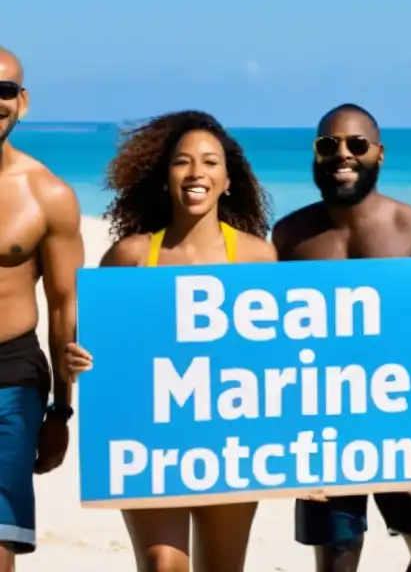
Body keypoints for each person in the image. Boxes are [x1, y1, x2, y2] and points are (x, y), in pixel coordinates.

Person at [273, 103, 411, 572]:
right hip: (326, 421)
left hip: (407, 417)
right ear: (315, 155)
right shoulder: (291, 236)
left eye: (357, 145)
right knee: (337, 559)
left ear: (379, 154)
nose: (342, 155)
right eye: (328, 145)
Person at [62, 110, 277, 572]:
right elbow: (92, 345)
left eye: (210, 162)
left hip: (230, 441)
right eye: (183, 162)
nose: (196, 173)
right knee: (163, 564)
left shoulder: (258, 259)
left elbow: (281, 360)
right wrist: (77, 361)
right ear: (165, 179)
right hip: (149, 436)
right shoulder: (132, 256)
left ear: (228, 180)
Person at [0, 47, 83, 568]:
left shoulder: (46, 194)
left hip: (10, 375)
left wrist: (60, 409)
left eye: (3, 90)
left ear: (22, 101)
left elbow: (63, 308)